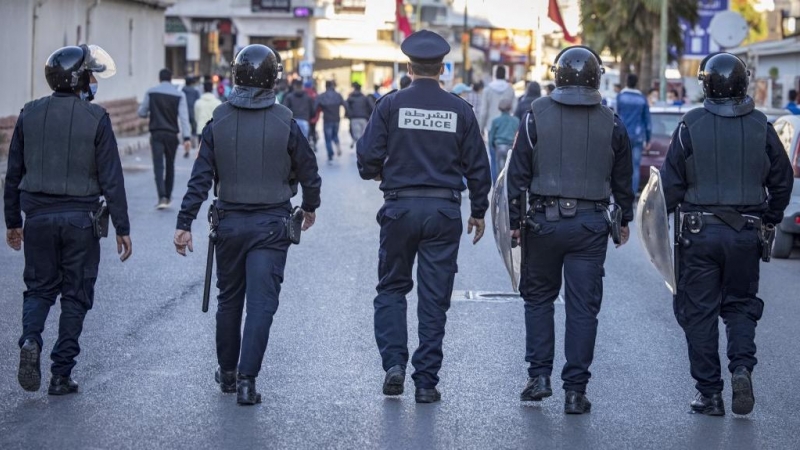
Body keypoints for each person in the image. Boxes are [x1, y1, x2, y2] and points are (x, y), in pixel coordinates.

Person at [174, 44, 321, 406]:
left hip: (228, 224)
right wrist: (311, 206)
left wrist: (184, 222)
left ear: (235, 76)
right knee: (260, 304)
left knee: (229, 301)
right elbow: (309, 171)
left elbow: (200, 178)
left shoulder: (218, 121)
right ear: (274, 79)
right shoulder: (286, 120)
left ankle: (226, 373)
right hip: (272, 226)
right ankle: (246, 381)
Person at [356, 29, 491, 404]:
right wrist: (478, 211)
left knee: (392, 288)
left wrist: (381, 173)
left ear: (409, 65)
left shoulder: (390, 105)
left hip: (399, 208)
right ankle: (427, 382)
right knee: (434, 299)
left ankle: (394, 365)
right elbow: (480, 168)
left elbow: (366, 158)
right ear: (443, 68)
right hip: (444, 212)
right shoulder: (461, 110)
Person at [659, 52, 793, 416]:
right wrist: (770, 217)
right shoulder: (761, 126)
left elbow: (669, 187)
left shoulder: (689, 125)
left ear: (705, 83)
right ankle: (741, 368)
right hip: (746, 233)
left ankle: (710, 393)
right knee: (740, 307)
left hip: (698, 235)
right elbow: (782, 180)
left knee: (699, 313)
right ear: (743, 83)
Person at [506, 45, 634, 414]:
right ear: (596, 77)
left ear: (557, 75)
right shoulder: (612, 121)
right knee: (583, 309)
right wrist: (623, 220)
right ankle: (575, 391)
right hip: (591, 226)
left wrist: (515, 223)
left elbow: (518, 175)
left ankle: (539, 377)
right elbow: (623, 180)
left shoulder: (534, 115)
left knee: (539, 300)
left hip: (542, 223)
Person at [4, 45, 132, 395]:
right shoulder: (97, 118)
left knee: (39, 289)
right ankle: (61, 373)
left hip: (39, 221)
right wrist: (122, 228)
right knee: (75, 295)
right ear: (79, 79)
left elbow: (13, 173)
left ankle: (31, 339)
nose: (93, 81)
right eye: (90, 75)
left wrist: (12, 221)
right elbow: (112, 178)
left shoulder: (28, 114)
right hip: (81, 222)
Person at [138, 68, 192, 209]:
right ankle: (168, 196)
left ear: (159, 78)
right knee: (170, 165)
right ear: (171, 79)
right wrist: (187, 138)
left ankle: (161, 196)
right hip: (172, 135)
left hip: (156, 134)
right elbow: (184, 118)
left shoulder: (151, 92)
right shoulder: (179, 95)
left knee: (158, 165)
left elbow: (142, 112)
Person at [616, 73, 651, 193]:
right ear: (636, 83)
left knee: (621, 165)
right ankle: (633, 192)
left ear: (626, 82)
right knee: (635, 166)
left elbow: (615, 117)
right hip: (638, 136)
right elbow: (647, 121)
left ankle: (622, 192)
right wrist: (648, 139)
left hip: (622, 135)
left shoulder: (620, 97)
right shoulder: (642, 98)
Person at [315, 80, 347, 163]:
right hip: (336, 119)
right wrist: (348, 114)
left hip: (327, 119)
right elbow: (345, 105)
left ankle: (330, 154)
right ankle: (337, 144)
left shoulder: (322, 96)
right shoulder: (338, 95)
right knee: (335, 135)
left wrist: (312, 115)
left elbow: (315, 106)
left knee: (328, 138)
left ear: (325, 86)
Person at [479, 65, 516, 134]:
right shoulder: (510, 89)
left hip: (491, 125)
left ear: (495, 75)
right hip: (507, 126)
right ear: (505, 75)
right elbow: (514, 109)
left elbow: (483, 111)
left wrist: (481, 128)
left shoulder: (487, 90)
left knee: (491, 144)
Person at [489, 97, 519, 173]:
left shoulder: (496, 120)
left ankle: (500, 184)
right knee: (511, 169)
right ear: (510, 108)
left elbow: (491, 136)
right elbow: (518, 135)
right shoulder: (516, 120)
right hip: (512, 146)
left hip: (500, 146)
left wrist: (491, 146)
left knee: (500, 170)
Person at [346, 82, 374, 148]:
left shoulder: (350, 98)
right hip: (364, 118)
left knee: (357, 136)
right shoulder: (365, 97)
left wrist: (349, 115)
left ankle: (359, 150)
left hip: (354, 118)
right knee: (363, 136)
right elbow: (372, 106)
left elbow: (346, 106)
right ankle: (362, 151)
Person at [183, 76, 201, 155]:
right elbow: (198, 102)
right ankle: (194, 146)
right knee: (194, 131)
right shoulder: (195, 91)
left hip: (185, 113)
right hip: (193, 113)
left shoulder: (182, 90)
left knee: (186, 131)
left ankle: (187, 149)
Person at [304, 80, 320, 149]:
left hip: (305, 116)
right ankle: (314, 143)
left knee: (307, 131)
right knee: (313, 129)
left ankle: (308, 143)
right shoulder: (315, 93)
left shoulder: (303, 93)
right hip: (314, 116)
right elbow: (318, 105)